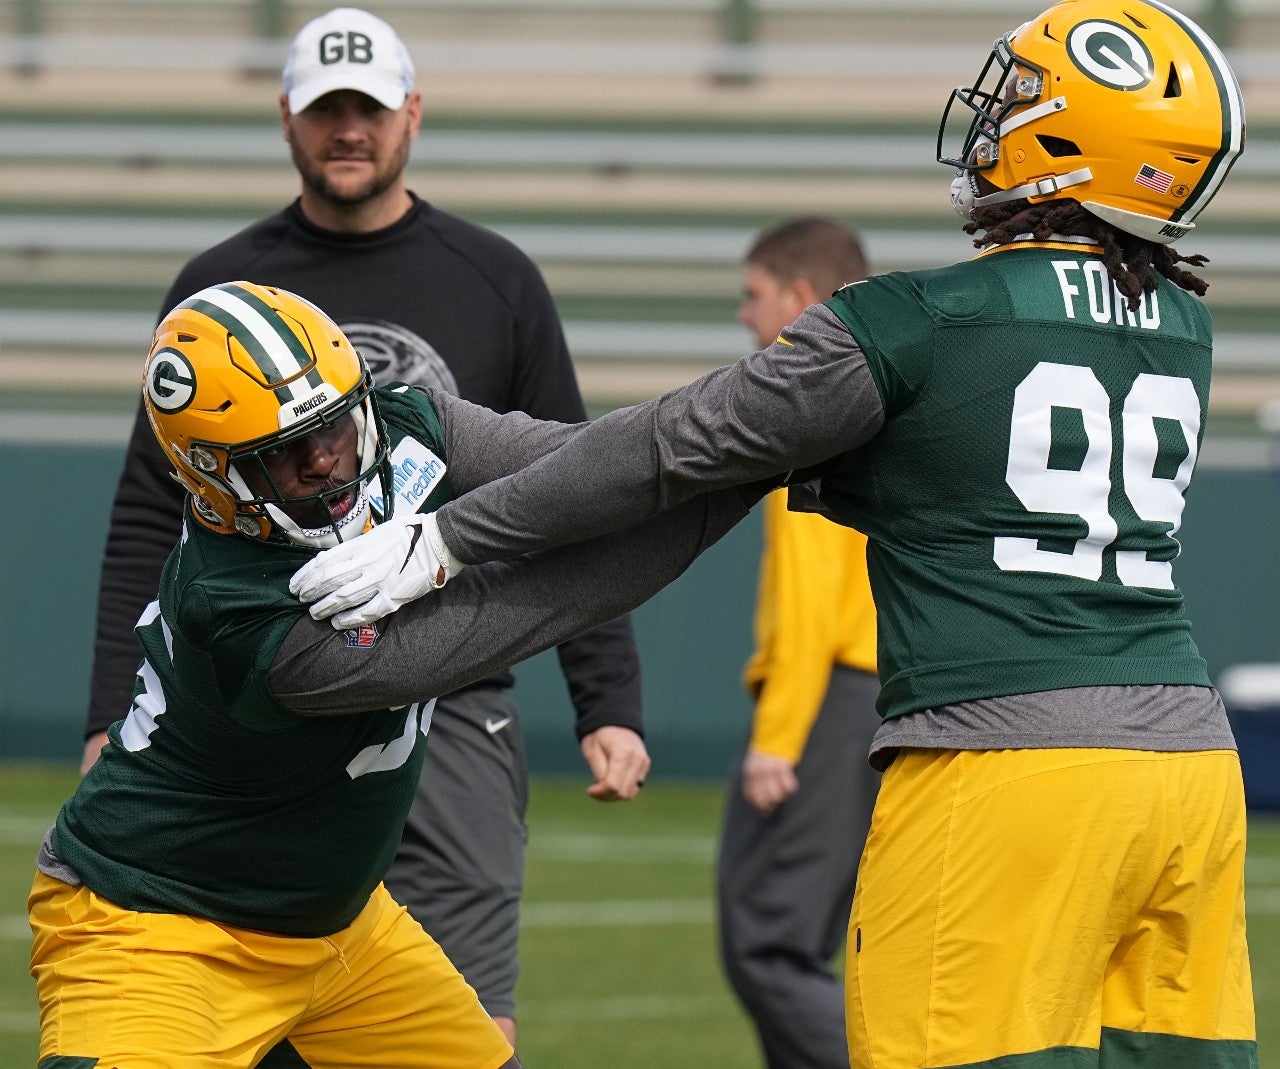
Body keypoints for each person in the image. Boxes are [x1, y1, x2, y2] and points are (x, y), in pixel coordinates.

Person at [294, 2, 1257, 1065]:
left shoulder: (910, 322)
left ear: (1078, 139)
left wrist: (448, 538)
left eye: (1020, 101)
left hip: (1008, 767)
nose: (991, 121)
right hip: (1187, 770)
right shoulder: (1181, 324)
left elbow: (663, 457)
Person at [80, 7, 648, 1045]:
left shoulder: (494, 276)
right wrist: (102, 711)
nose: (350, 131)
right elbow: (145, 514)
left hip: (461, 679)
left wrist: (607, 700)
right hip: (284, 671)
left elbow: (575, 480)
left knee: (470, 1013)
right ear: (288, 121)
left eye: (369, 110)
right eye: (326, 110)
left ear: (411, 116)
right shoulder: (218, 290)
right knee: (274, 996)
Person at [30, 282, 758, 1069]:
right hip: (162, 926)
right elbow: (542, 601)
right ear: (213, 477)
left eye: (336, 426)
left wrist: (763, 429)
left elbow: (585, 468)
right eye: (284, 453)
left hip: (338, 927)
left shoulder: (409, 421)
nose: (324, 460)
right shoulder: (236, 608)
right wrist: (764, 458)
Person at [718, 217, 879, 1069]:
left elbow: (811, 598)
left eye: (755, 297)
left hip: (827, 704)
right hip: (874, 699)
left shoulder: (815, 409)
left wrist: (778, 736)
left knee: (770, 944)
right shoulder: (885, 393)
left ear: (802, 299)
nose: (745, 317)